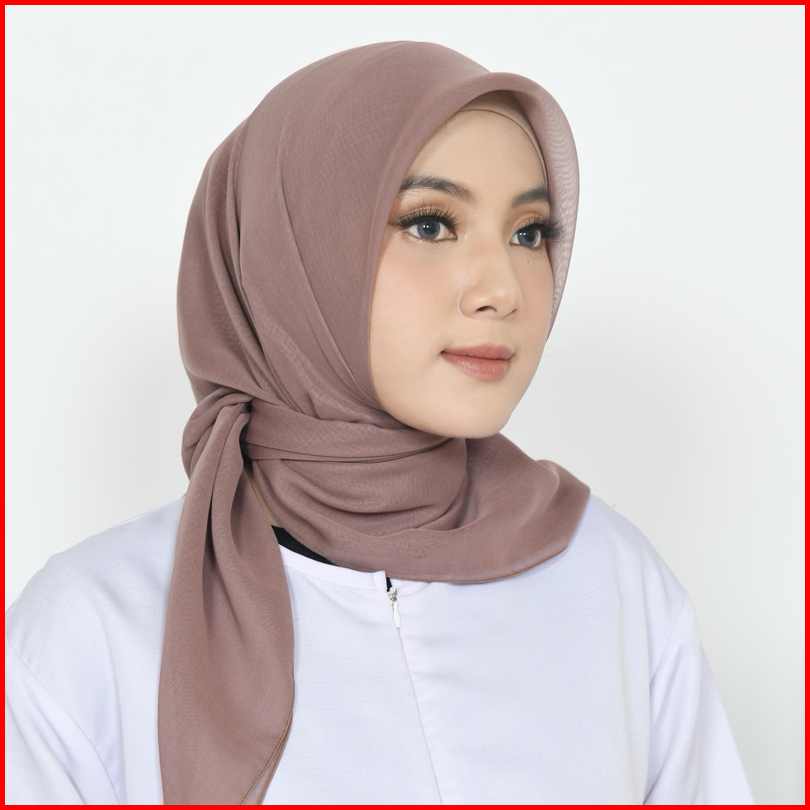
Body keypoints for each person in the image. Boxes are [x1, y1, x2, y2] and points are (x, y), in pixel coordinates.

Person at [5, 41, 753, 805]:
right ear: (295, 254)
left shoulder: (610, 578)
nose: (503, 288)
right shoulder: (94, 630)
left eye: (529, 232)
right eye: (430, 225)